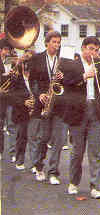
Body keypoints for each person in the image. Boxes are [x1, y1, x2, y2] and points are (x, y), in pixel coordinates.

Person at [62, 36, 100, 199]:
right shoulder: (72, 64)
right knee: (77, 151)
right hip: (78, 110)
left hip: (96, 109)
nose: (94, 52)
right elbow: (65, 84)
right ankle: (73, 183)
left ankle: (95, 186)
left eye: (96, 50)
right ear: (83, 48)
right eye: (91, 49)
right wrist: (84, 76)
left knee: (96, 151)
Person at [27, 31, 69, 185]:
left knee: (58, 139)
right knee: (43, 138)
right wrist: (39, 95)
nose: (56, 45)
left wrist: (63, 77)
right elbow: (32, 82)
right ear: (47, 43)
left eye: (58, 42)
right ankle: (39, 166)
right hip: (43, 103)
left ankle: (53, 172)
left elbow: (68, 81)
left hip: (59, 104)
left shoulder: (63, 60)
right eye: (54, 42)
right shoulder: (37, 58)